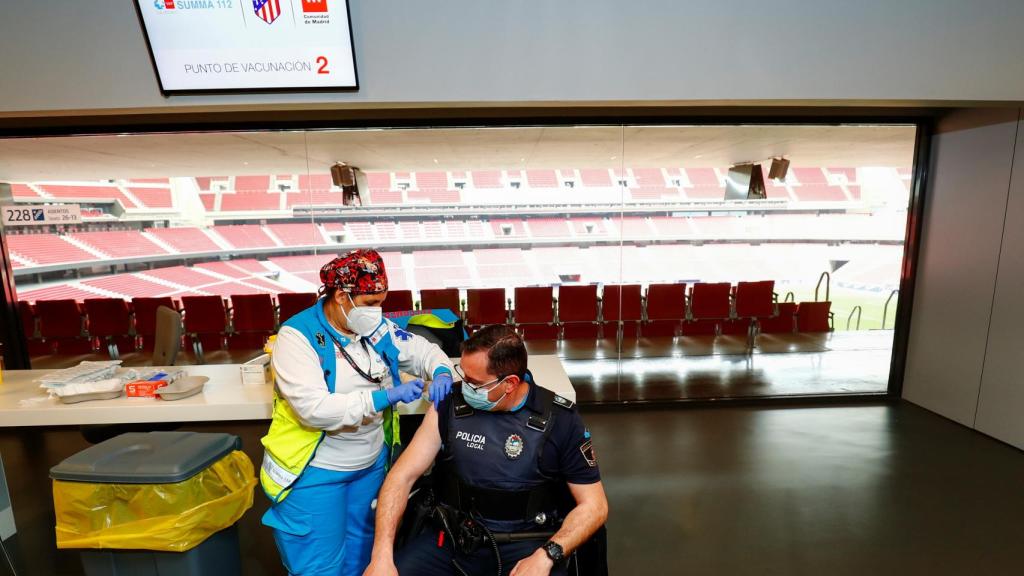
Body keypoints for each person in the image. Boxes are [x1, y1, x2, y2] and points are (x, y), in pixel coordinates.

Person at [260, 249, 456, 576]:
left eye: (381, 301)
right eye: (369, 303)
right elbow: (314, 410)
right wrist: (383, 397)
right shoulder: (297, 338)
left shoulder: (375, 328)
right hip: (315, 474)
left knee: (364, 561)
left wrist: (440, 371)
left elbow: (422, 351)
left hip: (368, 468)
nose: (377, 311)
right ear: (341, 296)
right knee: (320, 568)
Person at [364, 325, 609, 576]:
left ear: (510, 383)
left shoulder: (560, 419)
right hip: (453, 538)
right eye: (463, 375)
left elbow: (595, 506)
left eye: (475, 382)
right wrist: (381, 555)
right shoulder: (449, 405)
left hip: (527, 543)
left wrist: (548, 556)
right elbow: (401, 477)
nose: (464, 386)